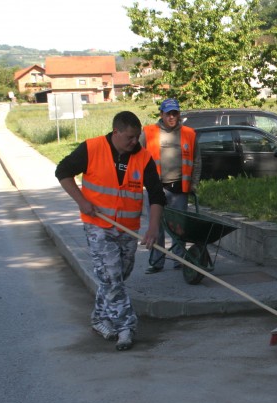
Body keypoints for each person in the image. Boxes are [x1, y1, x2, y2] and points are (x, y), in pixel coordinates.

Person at [55, 111, 167, 351]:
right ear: (116, 132)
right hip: (98, 226)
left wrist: (154, 227)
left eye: (137, 137)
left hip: (128, 229)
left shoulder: (143, 157)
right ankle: (126, 328)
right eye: (130, 137)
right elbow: (62, 172)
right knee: (112, 277)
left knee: (115, 277)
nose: (134, 142)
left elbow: (156, 194)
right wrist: (81, 201)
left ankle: (99, 319)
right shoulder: (91, 148)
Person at [140, 98, 202, 274]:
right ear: (161, 114)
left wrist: (194, 184)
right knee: (156, 227)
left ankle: (179, 261)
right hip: (156, 188)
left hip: (179, 189)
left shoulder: (189, 134)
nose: (172, 117)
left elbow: (197, 161)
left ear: (179, 114)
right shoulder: (148, 133)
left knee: (179, 227)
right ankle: (156, 262)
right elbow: (137, 158)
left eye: (175, 113)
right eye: (168, 113)